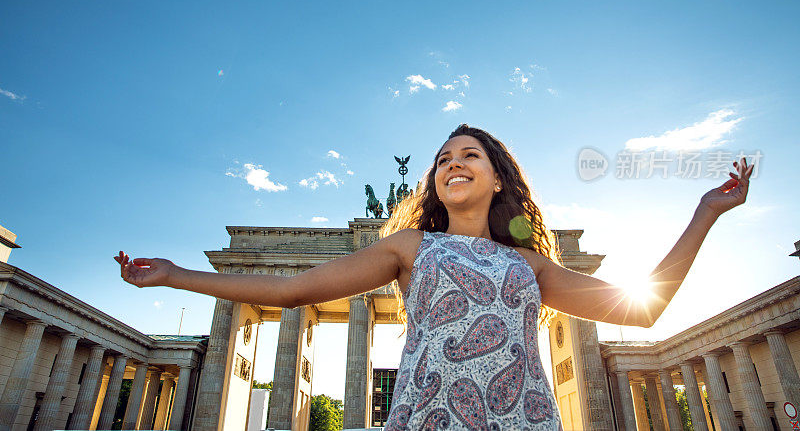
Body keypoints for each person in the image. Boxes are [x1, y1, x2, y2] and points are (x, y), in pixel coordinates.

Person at [115, 124, 753, 430]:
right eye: (443, 158)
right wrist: (176, 276)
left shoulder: (528, 265)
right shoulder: (410, 247)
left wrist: (705, 213)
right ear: (435, 183)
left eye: (470, 154)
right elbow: (290, 291)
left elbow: (643, 310)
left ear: (497, 176)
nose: (454, 162)